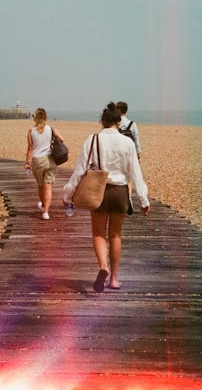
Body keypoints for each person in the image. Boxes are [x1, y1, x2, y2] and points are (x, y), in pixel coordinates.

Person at [63, 103, 150, 292]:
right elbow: (135, 172)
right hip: (120, 193)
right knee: (116, 236)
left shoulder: (93, 139)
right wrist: (144, 199)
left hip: (98, 191)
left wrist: (68, 195)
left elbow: (79, 171)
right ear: (119, 122)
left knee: (99, 234)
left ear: (102, 121)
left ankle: (103, 266)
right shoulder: (127, 143)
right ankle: (114, 280)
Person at [25, 108, 64, 220]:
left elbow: (30, 148)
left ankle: (43, 205)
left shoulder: (31, 131)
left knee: (41, 185)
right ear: (45, 117)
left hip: (37, 161)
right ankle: (45, 212)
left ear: (35, 118)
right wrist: (52, 143)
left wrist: (27, 162)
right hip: (50, 160)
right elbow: (62, 139)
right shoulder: (51, 129)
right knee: (48, 187)